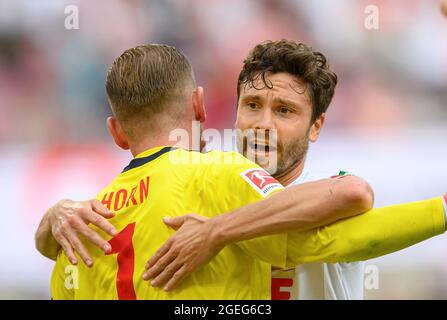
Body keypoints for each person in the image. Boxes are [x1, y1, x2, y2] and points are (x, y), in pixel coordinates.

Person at [37, 41, 447, 300]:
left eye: (284, 111)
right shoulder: (207, 185)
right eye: (252, 105)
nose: (263, 123)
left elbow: (350, 198)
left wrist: (219, 230)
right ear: (221, 110)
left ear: (317, 125)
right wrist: (52, 219)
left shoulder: (312, 197)